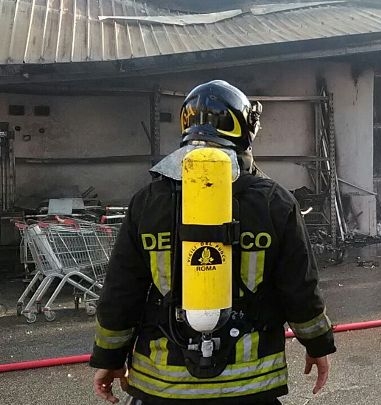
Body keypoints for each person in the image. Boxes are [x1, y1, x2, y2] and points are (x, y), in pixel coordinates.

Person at [89, 80, 335, 404]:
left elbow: (121, 292)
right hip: (250, 386)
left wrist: (108, 359)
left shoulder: (147, 203)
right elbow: (299, 288)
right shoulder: (276, 203)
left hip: (162, 386)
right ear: (244, 129)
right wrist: (317, 346)